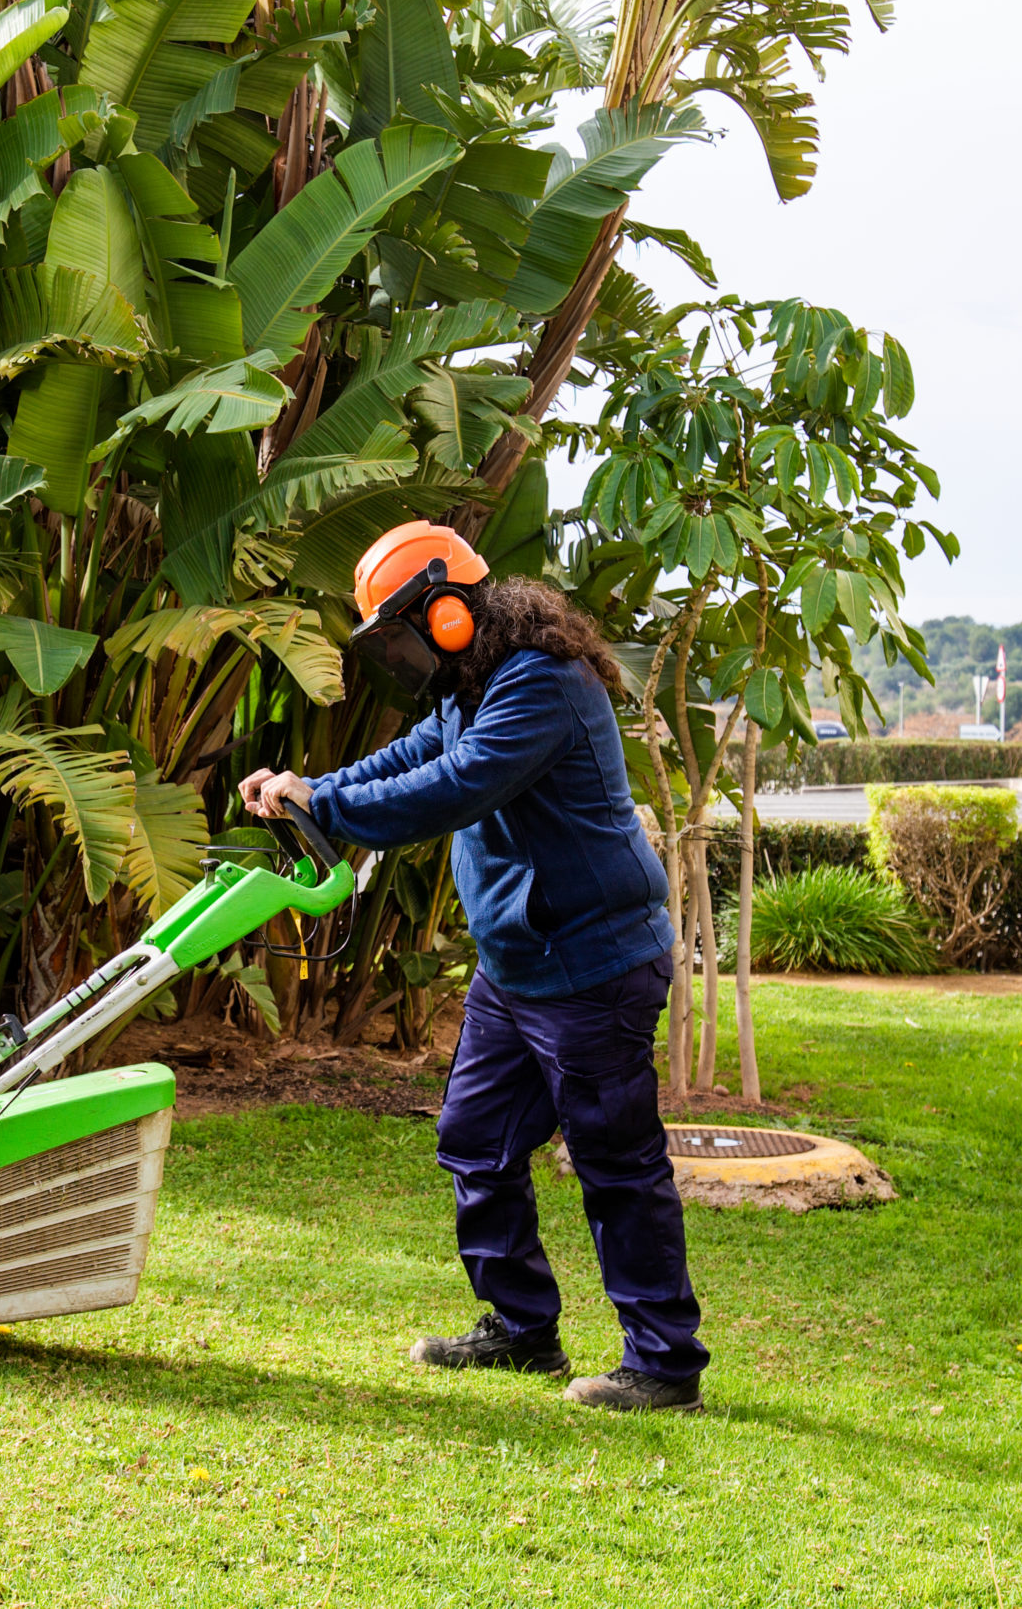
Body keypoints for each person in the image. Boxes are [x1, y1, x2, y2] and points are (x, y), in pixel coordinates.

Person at [240, 521, 708, 1412]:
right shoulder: (475, 681)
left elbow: (458, 784)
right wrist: (316, 788)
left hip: (593, 963)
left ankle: (665, 1364)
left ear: (449, 610)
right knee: (475, 1139)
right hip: (517, 963)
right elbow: (417, 755)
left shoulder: (542, 682)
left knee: (615, 1161)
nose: (404, 651)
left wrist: (328, 803)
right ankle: (522, 1330)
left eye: (401, 630)